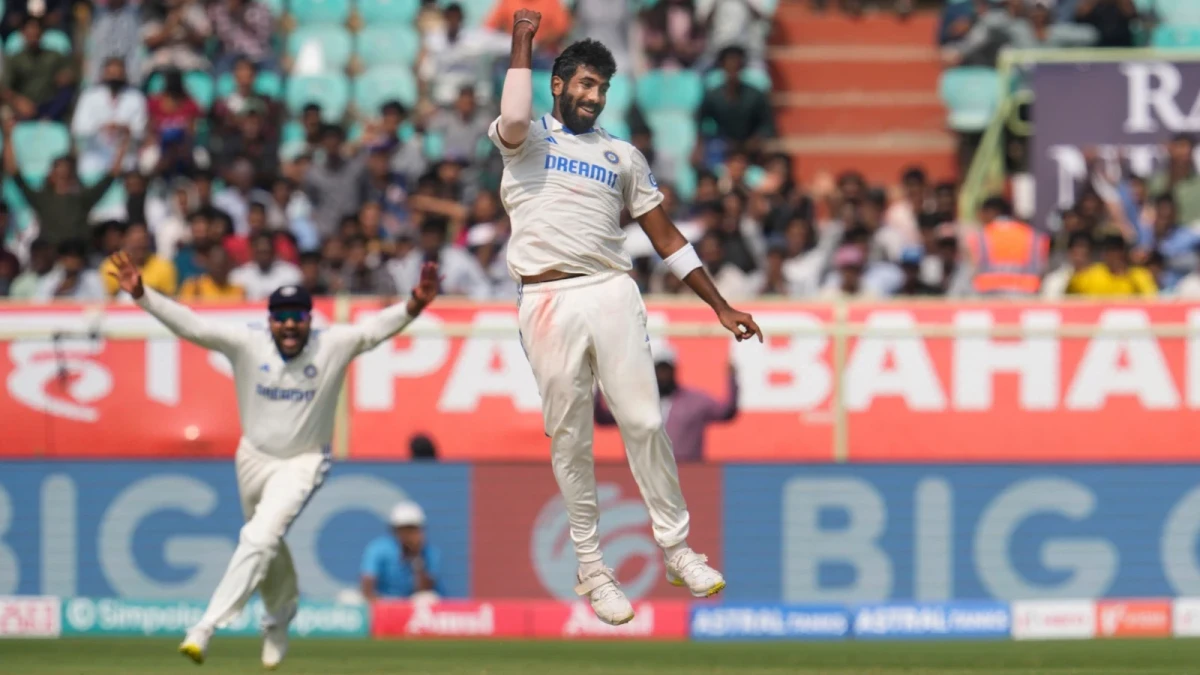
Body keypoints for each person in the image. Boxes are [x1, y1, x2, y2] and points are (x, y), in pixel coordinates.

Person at [490, 11, 760, 626]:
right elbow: (509, 116)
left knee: (643, 420)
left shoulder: (622, 155)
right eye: (583, 84)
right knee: (571, 437)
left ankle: (677, 548)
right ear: (556, 85)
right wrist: (522, 42)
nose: (592, 96)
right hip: (547, 297)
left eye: (602, 88)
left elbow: (667, 238)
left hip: (611, 290)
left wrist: (720, 305)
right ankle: (592, 566)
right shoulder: (527, 137)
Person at [106, 251, 439, 668]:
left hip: (303, 461)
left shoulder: (330, 345)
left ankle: (205, 626)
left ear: (309, 320)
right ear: (269, 322)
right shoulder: (248, 344)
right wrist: (142, 294)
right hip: (252, 459)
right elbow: (194, 325)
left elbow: (373, 330)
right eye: (280, 317)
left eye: (297, 317)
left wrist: (415, 304)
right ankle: (280, 617)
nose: (288, 325)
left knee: (259, 538)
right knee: (267, 541)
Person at [595, 346, 737, 462]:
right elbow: (602, 418)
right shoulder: (636, 402)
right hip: (644, 474)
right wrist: (598, 381)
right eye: (659, 369)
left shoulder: (695, 401)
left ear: (674, 370)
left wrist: (732, 378)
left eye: (666, 369)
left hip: (686, 472)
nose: (663, 374)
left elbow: (726, 412)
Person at [359, 501, 444, 600]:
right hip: (382, 602)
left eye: (413, 529)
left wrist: (417, 557)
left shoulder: (430, 554)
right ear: (395, 531)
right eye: (404, 529)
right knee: (350, 598)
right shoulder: (378, 549)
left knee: (429, 598)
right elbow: (367, 585)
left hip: (411, 606)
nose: (408, 534)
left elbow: (424, 590)